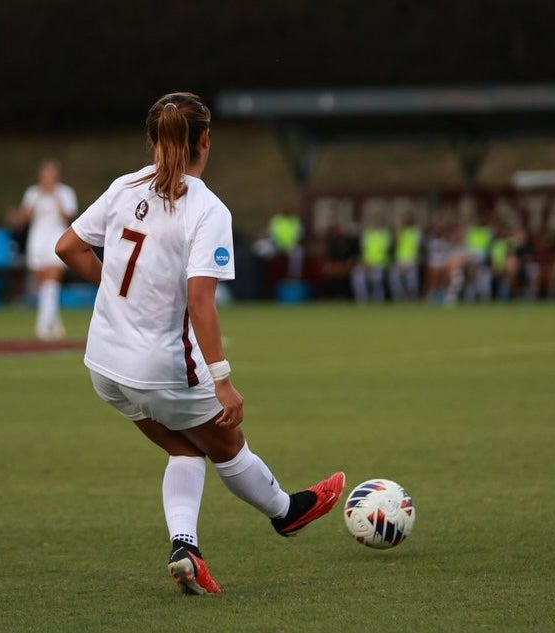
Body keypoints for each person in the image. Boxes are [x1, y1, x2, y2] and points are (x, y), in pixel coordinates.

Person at [54, 92, 344, 596]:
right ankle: (287, 513)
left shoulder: (126, 186)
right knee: (229, 446)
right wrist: (223, 380)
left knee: (186, 450)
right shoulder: (208, 209)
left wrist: (115, 291)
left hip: (103, 364)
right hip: (161, 368)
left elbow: (67, 247)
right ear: (205, 140)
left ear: (153, 140)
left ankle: (185, 548)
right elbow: (201, 302)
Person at [20, 160, 77, 340]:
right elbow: (25, 217)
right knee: (43, 285)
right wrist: (38, 197)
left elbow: (69, 216)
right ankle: (55, 322)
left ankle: (43, 325)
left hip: (56, 239)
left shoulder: (65, 192)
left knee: (52, 281)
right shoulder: (32, 192)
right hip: (37, 240)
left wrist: (55, 196)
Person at [352, 215, 393, 303]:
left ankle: (378, 301)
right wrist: (364, 263)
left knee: (376, 279)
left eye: (378, 221)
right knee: (358, 277)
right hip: (366, 263)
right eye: (374, 221)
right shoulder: (367, 234)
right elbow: (363, 250)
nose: (375, 223)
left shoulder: (385, 234)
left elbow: (386, 251)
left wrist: (374, 264)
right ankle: (362, 301)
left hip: (380, 263)